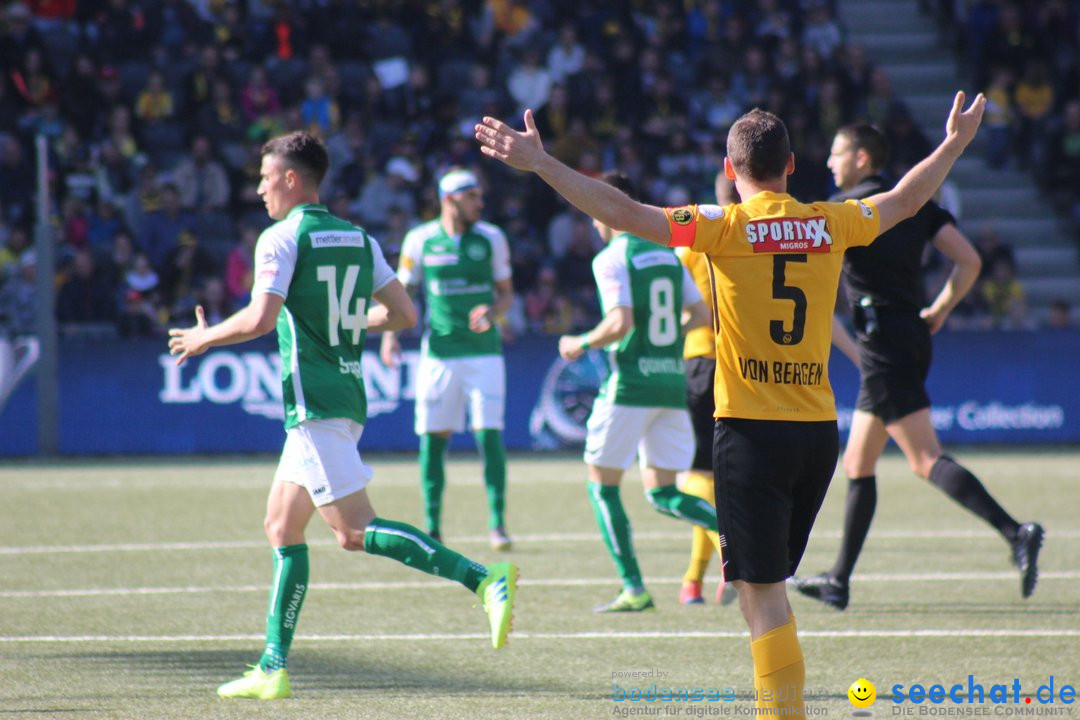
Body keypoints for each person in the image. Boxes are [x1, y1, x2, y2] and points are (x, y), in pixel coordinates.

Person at [475, 91, 985, 715]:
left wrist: (545, 164)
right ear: (792, 165)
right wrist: (954, 142)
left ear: (729, 167)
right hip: (818, 432)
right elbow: (906, 200)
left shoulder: (718, 226)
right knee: (765, 588)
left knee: (761, 594)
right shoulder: (832, 220)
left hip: (750, 432)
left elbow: (625, 212)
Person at [168, 132, 517, 701]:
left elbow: (261, 318)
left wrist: (207, 336)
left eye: (264, 178)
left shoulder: (280, 239)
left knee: (354, 531)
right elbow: (403, 314)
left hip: (314, 403)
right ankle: (271, 667)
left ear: (289, 179)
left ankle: (483, 579)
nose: (258, 190)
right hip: (347, 396)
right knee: (282, 527)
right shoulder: (359, 237)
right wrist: (343, 324)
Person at [792, 124, 1044, 611]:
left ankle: (1017, 532)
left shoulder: (848, 213)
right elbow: (968, 261)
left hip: (881, 340)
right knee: (858, 462)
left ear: (862, 158)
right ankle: (838, 581)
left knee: (925, 458)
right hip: (908, 332)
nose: (828, 162)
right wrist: (940, 310)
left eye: (836, 152)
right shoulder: (916, 204)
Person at [560, 170, 718, 613]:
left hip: (630, 385)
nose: (592, 220)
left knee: (602, 487)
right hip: (670, 382)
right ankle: (742, 547)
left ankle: (634, 588)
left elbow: (619, 324)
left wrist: (579, 343)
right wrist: (664, 344)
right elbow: (701, 315)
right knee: (665, 493)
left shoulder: (612, 256)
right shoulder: (669, 255)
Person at [379, 168, 515, 550]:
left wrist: (493, 310)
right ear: (449, 199)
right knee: (433, 439)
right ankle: (433, 526)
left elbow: (506, 294)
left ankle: (498, 524)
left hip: (485, 355)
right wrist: (391, 336)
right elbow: (400, 296)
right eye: (472, 196)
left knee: (490, 437)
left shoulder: (492, 238)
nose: (480, 203)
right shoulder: (420, 240)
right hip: (438, 355)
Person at [675, 171, 738, 608]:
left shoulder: (692, 238)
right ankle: (692, 581)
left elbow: (673, 304)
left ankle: (727, 564)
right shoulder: (761, 232)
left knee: (697, 474)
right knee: (717, 479)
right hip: (743, 365)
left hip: (700, 358)